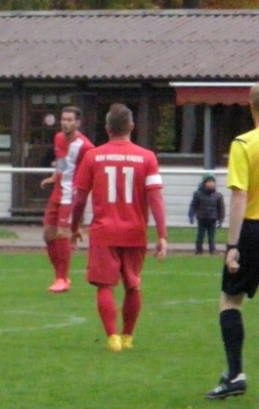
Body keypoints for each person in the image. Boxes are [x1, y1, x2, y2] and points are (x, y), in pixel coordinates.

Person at [69, 103, 167, 352]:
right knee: (133, 284)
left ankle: (112, 338)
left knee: (105, 285)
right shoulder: (147, 157)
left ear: (107, 129)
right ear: (132, 126)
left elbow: (79, 198)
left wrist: (74, 226)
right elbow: (155, 197)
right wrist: (162, 235)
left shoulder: (93, 156)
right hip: (135, 231)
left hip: (103, 231)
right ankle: (128, 337)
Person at [205, 82, 259, 399]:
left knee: (230, 300)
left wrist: (232, 245)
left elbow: (239, 196)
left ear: (251, 106)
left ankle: (235, 374)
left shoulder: (244, 144)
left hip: (253, 229)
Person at [40, 106, 93, 293]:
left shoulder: (85, 146)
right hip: (58, 192)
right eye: (63, 119)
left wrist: (84, 190)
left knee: (63, 234)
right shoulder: (58, 138)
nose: (65, 123)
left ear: (78, 123)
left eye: (70, 120)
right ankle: (60, 276)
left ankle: (62, 278)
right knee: (48, 234)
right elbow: (62, 160)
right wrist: (54, 177)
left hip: (72, 195)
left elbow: (92, 169)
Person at [189, 173, 225, 255]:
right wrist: (191, 216)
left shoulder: (218, 196)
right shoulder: (198, 194)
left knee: (211, 236)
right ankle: (198, 250)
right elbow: (193, 206)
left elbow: (221, 208)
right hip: (202, 218)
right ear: (204, 183)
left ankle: (212, 250)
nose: (211, 184)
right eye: (209, 182)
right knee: (200, 235)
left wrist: (221, 219)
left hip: (212, 219)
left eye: (212, 182)